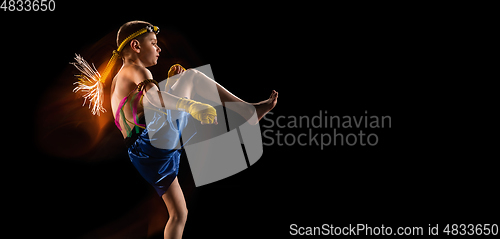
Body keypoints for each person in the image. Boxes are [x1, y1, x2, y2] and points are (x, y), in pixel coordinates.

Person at [82, 20, 278, 239]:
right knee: (192, 77)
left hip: (143, 156)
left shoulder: (121, 77)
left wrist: (173, 83)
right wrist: (191, 104)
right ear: (136, 46)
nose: (159, 48)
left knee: (178, 214)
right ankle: (248, 113)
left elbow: (145, 106)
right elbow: (155, 99)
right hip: (151, 143)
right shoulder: (137, 70)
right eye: (154, 43)